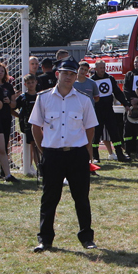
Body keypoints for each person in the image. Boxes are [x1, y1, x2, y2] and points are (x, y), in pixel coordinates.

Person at [30, 59, 98, 252]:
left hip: (77, 154)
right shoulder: (43, 98)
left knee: (81, 198)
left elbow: (90, 128)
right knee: (49, 198)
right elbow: (35, 126)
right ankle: (45, 239)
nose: (68, 77)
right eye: (65, 73)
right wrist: (44, 150)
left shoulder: (84, 100)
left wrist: (84, 150)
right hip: (52, 155)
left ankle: (87, 238)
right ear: (57, 74)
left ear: (76, 76)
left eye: (72, 74)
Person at [88, 61, 125, 162]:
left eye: (104, 67)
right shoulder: (92, 81)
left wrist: (125, 104)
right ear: (96, 69)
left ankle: (120, 154)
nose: (102, 70)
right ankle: (96, 156)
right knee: (96, 134)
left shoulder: (110, 78)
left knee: (114, 133)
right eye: (100, 68)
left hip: (109, 110)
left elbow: (117, 92)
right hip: (97, 111)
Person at [17, 75, 42, 172]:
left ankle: (42, 167)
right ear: (25, 84)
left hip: (41, 124)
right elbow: (13, 106)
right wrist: (19, 116)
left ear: (36, 82)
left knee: (41, 146)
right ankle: (36, 168)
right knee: (34, 146)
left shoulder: (40, 96)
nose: (31, 84)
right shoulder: (22, 97)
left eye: (32, 82)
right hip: (28, 126)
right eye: (28, 83)